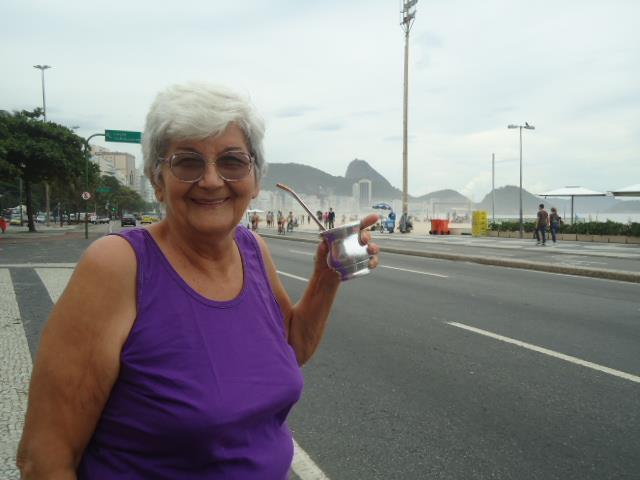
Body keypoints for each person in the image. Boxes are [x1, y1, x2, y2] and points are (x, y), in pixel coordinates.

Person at [17, 82, 380, 480]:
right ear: (158, 181)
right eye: (188, 163)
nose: (210, 180)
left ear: (254, 180)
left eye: (232, 162)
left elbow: (292, 349)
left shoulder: (252, 249)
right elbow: (44, 459)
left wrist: (325, 278)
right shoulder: (118, 265)